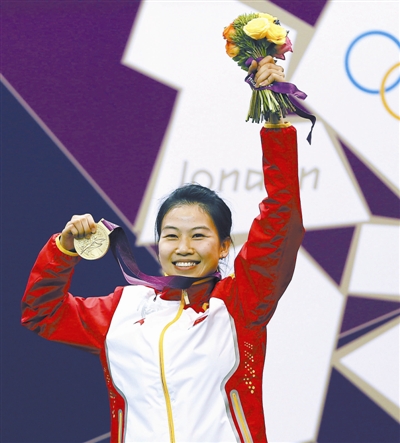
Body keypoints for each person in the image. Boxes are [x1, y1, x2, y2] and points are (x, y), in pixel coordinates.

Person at [22, 56, 305, 443]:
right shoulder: (121, 311)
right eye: (171, 235)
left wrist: (274, 122)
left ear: (224, 246)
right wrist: (63, 250)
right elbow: (42, 313)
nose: (183, 248)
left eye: (198, 235)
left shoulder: (240, 304)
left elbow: (281, 219)